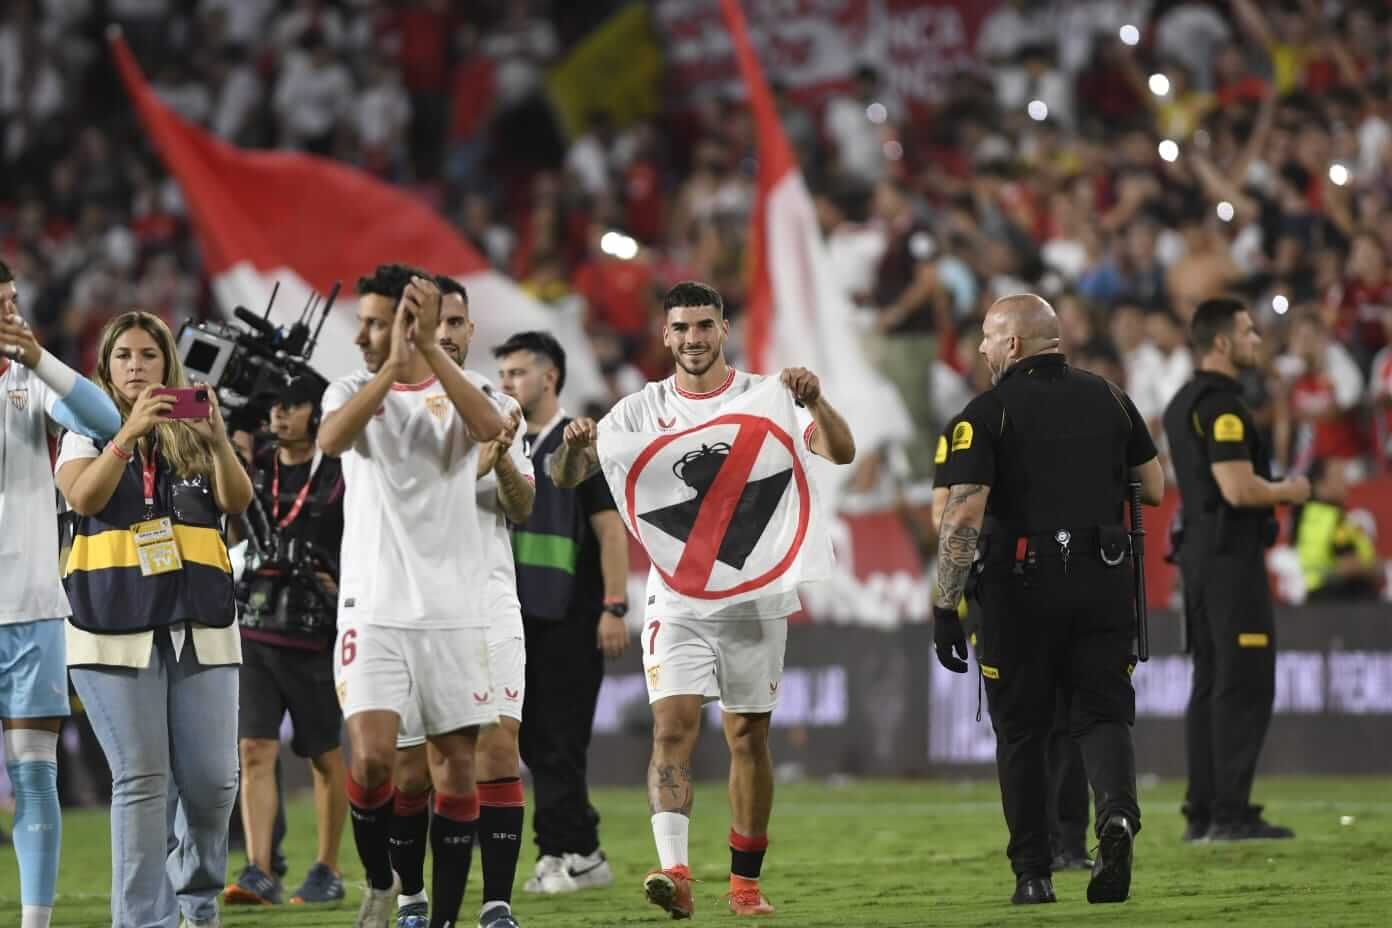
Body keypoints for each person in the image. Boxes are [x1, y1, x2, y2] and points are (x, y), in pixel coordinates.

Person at [550, 281, 857, 919]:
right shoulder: (637, 411)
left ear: (724, 330)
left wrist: (817, 400)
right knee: (672, 726)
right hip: (678, 596)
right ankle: (677, 874)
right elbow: (564, 478)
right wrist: (576, 445)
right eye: (681, 328)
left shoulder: (766, 396)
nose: (693, 339)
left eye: (704, 326)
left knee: (748, 735)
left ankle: (745, 885)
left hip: (754, 593)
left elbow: (840, 450)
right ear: (665, 335)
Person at [931, 294, 1164, 905]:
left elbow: (961, 521)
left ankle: (1033, 874)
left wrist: (944, 608)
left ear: (1013, 344)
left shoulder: (988, 412)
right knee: (1103, 714)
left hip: (1020, 587)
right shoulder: (1112, 397)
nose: (981, 347)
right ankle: (1115, 815)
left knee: (1022, 733)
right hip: (1104, 580)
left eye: (987, 336)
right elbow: (1156, 488)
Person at [316, 264, 505, 928]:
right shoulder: (346, 388)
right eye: (364, 321)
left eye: (377, 321)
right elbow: (332, 439)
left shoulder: (468, 386)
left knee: (455, 769)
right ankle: (380, 878)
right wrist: (390, 368)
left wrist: (424, 353)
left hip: (452, 612)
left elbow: (488, 427)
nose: (365, 332)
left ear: (410, 320)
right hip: (373, 609)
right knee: (369, 759)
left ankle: (446, 919)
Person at [54, 310, 253, 928]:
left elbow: (236, 501)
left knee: (215, 783)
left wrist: (219, 438)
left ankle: (196, 902)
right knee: (142, 778)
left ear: (168, 362)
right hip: (111, 628)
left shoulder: (194, 430)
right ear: (105, 368)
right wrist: (126, 434)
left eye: (148, 355)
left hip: (201, 622)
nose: (136, 367)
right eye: (123, 357)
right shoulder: (80, 427)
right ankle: (145, 920)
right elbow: (82, 497)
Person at [388, 277, 536, 928]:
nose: (447, 332)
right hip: (415, 605)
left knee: (499, 747)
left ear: (471, 331)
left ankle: (497, 903)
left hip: (490, 595)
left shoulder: (499, 406)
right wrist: (475, 464)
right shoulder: (389, 406)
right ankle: (413, 893)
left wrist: (501, 460)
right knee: (416, 768)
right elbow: (418, 500)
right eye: (435, 320)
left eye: (457, 321)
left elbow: (523, 505)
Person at [0, 259, 121, 928]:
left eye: (13, 302)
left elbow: (105, 422)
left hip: (31, 613)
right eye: (0, 305)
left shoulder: (29, 378)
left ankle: (34, 925)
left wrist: (40, 358)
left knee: (34, 776)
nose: (10, 315)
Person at [1162, 297, 1310, 842]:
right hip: (1229, 559)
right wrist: (1289, 490)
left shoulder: (1182, 402)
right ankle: (1228, 813)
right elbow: (1237, 487)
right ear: (1220, 343)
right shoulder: (1222, 407)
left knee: (1209, 682)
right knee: (1242, 682)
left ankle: (1203, 811)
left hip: (1199, 558)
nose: (1256, 339)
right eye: (1248, 332)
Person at [493, 331, 629, 896]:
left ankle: (558, 851)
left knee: (557, 740)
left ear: (549, 377)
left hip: (569, 615)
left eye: (517, 374)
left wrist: (614, 606)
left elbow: (610, 529)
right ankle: (585, 850)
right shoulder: (502, 442)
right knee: (537, 743)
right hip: (515, 614)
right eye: (502, 377)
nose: (506, 386)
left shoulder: (576, 442)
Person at [931, 418, 1093, 873]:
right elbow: (944, 513)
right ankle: (1044, 842)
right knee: (1027, 722)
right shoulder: (968, 429)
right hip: (998, 582)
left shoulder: (1050, 422)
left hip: (1052, 577)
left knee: (1061, 719)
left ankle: (1070, 841)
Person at [224, 376, 348, 906]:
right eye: (275, 405)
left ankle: (327, 867)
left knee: (323, 754)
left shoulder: (343, 471)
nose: (281, 415)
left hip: (316, 630)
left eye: (293, 405)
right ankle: (259, 868)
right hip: (254, 624)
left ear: (317, 412)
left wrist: (342, 582)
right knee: (253, 748)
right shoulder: (254, 468)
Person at [1294, 457, 1381, 601]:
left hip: (1315, 600)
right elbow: (1346, 564)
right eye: (1338, 477)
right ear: (1320, 485)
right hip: (1344, 601)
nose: (1345, 482)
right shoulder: (1335, 519)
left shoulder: (1308, 516)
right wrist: (1375, 567)